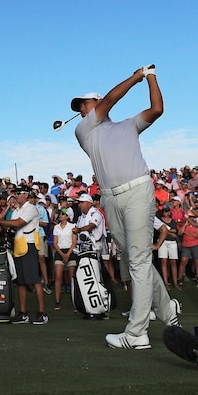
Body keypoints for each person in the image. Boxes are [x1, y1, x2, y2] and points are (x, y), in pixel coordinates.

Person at [72, 66, 174, 349]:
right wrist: (135, 76)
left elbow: (157, 109)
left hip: (138, 191)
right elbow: (109, 102)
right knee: (135, 260)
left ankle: (137, 333)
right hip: (109, 198)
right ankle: (168, 313)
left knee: (139, 261)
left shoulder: (128, 125)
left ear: (95, 101)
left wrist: (149, 76)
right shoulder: (84, 130)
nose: (82, 108)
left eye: (85, 102)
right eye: (80, 106)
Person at [0, 184, 48, 325]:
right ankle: (23, 313)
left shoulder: (30, 208)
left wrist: (1, 221)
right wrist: (0, 223)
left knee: (34, 280)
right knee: (21, 282)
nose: (16, 195)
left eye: (19, 193)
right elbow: (10, 226)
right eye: (15, 193)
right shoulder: (17, 210)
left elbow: (18, 223)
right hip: (19, 246)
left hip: (29, 246)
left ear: (26, 195)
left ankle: (42, 312)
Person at [51, 208, 77, 311]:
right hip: (60, 251)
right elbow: (55, 243)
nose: (60, 215)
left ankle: (75, 302)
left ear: (67, 216)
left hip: (70, 251)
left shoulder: (72, 226)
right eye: (60, 213)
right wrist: (63, 255)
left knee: (72, 278)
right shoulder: (56, 227)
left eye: (63, 214)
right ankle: (57, 302)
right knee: (58, 277)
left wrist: (67, 254)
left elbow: (74, 242)